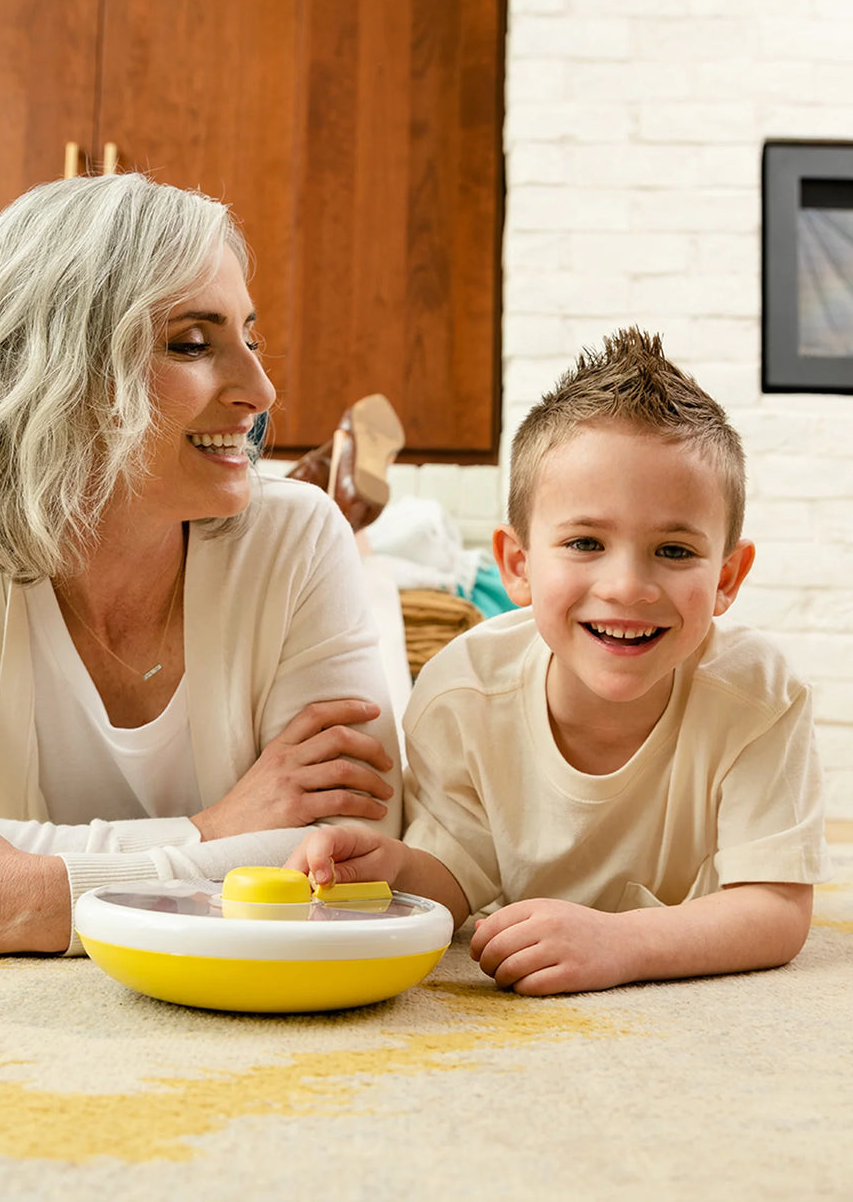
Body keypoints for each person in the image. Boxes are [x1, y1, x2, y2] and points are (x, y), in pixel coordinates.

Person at [0, 173, 401, 957]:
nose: (262, 389)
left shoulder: (300, 537)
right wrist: (213, 832)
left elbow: (350, 854)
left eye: (250, 336)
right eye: (193, 343)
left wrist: (39, 898)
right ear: (57, 376)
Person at [287, 328, 832, 995]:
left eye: (674, 550)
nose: (627, 586)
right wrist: (386, 867)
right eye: (585, 541)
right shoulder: (461, 694)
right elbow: (456, 873)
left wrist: (620, 943)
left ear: (727, 576)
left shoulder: (760, 696)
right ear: (517, 565)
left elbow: (775, 908)